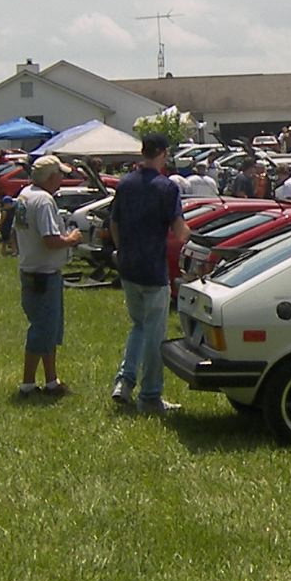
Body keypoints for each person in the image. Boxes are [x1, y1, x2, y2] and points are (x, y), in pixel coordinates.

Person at [109, 134, 190, 414]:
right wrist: (192, 233)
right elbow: (179, 232)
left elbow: (114, 223)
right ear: (163, 154)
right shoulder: (167, 187)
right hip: (153, 270)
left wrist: (123, 250)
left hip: (128, 266)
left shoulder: (125, 183)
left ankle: (124, 381)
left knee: (139, 326)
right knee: (155, 334)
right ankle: (150, 396)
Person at [14, 154, 82, 397]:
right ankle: (28, 384)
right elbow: (51, 240)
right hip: (43, 275)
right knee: (42, 330)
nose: (62, 179)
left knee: (49, 330)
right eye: (60, 174)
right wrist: (72, 239)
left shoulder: (24, 195)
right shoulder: (43, 201)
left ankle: (52, 381)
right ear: (51, 177)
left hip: (32, 270)